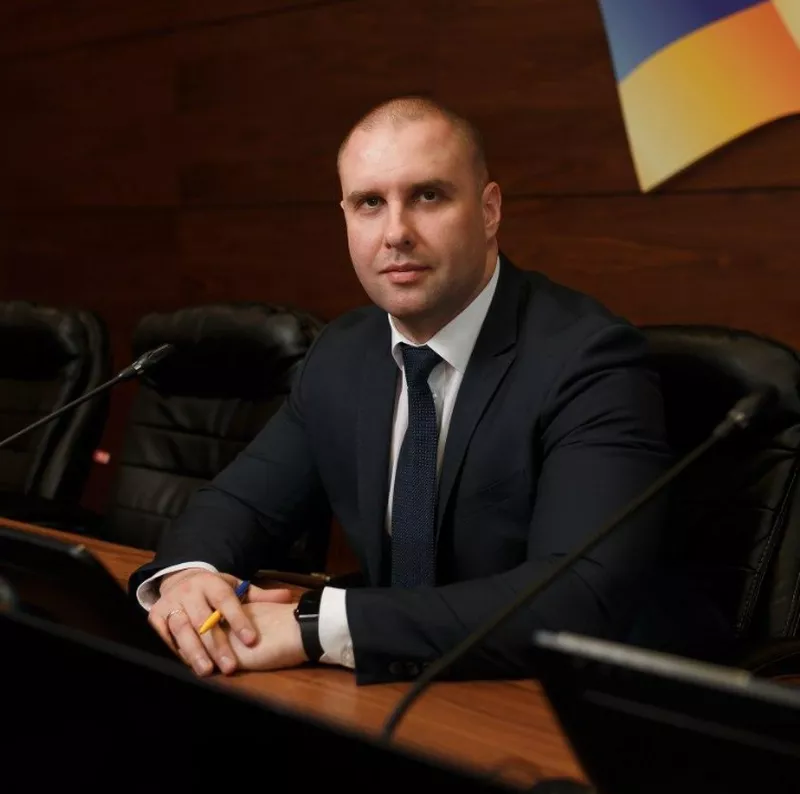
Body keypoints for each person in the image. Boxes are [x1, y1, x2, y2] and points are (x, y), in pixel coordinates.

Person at [129, 95, 672, 685]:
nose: (396, 233)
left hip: (548, 702)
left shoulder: (588, 358)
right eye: (370, 203)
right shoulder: (344, 351)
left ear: (489, 210)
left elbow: (578, 598)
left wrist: (318, 628)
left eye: (428, 196)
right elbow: (240, 504)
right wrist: (189, 577)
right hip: (396, 692)